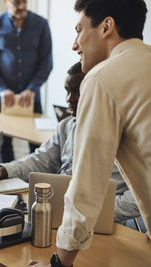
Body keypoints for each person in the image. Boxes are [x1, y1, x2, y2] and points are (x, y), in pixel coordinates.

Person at [29, 0, 151, 266]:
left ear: (107, 26)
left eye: (79, 29)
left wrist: (60, 262)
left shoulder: (102, 78)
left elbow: (87, 186)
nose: (75, 44)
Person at [0, 62, 141, 226]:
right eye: (67, 91)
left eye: (77, 92)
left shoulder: (126, 136)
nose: (69, 99)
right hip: (60, 210)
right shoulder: (67, 125)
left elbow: (140, 195)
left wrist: (102, 212)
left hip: (98, 221)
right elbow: (40, 160)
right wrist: (5, 170)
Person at [0, 0, 53, 161]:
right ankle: (7, 180)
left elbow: (46, 63)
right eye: (16, 2)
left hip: (32, 96)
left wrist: (32, 89)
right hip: (3, 97)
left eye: (24, 1)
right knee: (3, 142)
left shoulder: (41, 24)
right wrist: (2, 88)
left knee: (37, 143)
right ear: (5, 2)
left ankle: (35, 180)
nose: (21, 6)